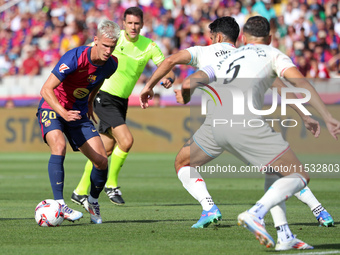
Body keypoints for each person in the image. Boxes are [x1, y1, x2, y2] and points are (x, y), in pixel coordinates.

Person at [139, 16, 335, 233]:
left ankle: (209, 208)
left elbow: (169, 62)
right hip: (247, 124)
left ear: (218, 36)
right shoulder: (249, 55)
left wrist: (149, 86)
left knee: (182, 163)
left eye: (211, 36)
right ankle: (319, 210)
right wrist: (304, 114)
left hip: (216, 126)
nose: (210, 40)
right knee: (284, 169)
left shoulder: (204, 52)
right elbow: (279, 86)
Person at [71, 7, 175, 206]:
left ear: (143, 24)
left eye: (137, 23)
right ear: (123, 23)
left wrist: (169, 78)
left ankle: (79, 191)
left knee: (104, 151)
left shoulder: (149, 46)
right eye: (130, 23)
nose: (133, 27)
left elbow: (166, 67)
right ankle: (111, 185)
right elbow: (88, 52)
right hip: (103, 95)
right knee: (126, 141)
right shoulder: (113, 41)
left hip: (121, 102)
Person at [36, 19, 120, 224]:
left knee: (101, 161)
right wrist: (62, 112)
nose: (108, 50)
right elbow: (46, 89)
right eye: (105, 45)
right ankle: (59, 204)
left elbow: (97, 81)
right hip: (53, 107)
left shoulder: (112, 64)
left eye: (112, 46)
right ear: (95, 40)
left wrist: (90, 102)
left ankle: (91, 201)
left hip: (78, 113)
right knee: (59, 145)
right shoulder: (74, 57)